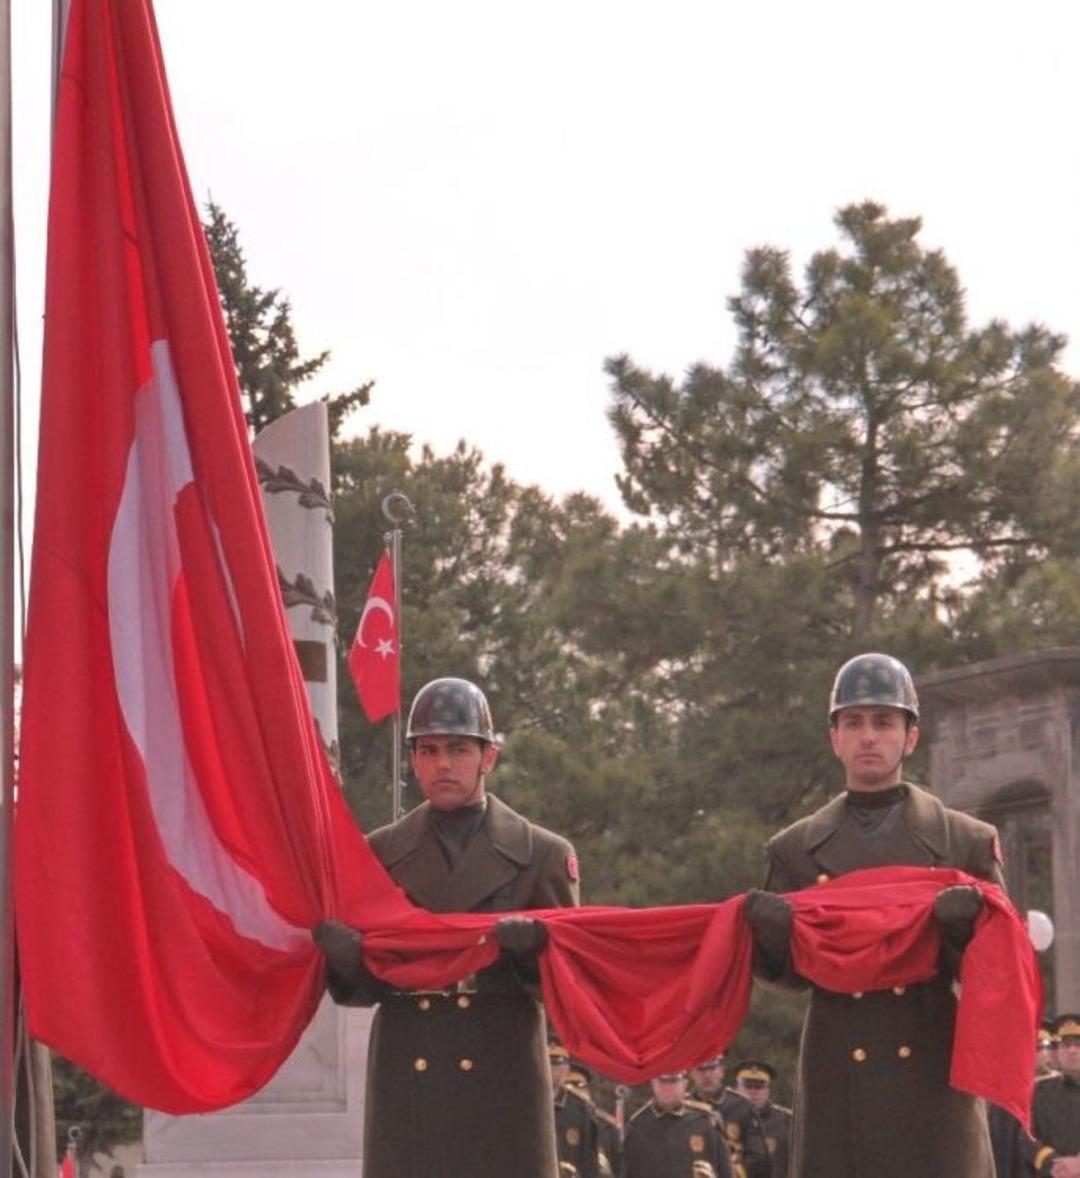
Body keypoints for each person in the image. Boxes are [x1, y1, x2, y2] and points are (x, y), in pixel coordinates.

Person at [743, 652, 1004, 1178]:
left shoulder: (965, 841)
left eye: (884, 722)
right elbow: (788, 975)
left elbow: (999, 973)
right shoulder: (795, 849)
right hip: (842, 1068)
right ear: (834, 737)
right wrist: (769, 942)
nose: (868, 737)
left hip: (932, 1067)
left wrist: (962, 934)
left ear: (910, 737)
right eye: (854, 723)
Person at [313, 677, 580, 1178]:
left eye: (458, 748)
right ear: (413, 760)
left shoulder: (542, 854)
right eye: (428, 750)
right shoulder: (379, 855)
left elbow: (562, 988)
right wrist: (346, 958)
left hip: (500, 1065)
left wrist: (530, 952)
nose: (442, 764)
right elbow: (362, 990)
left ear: (489, 758)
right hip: (411, 1063)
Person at [621, 1072, 734, 1178]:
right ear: (653, 1083)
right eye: (662, 1081)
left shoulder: (705, 1121)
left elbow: (725, 1171)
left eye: (673, 1081)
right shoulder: (638, 1125)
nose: (667, 1087)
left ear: (685, 1083)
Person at [687, 1056, 770, 1178]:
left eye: (712, 1068)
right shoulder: (683, 1108)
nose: (707, 1075)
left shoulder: (741, 1107)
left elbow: (758, 1156)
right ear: (691, 1073)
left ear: (722, 1071)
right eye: (701, 1069)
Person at [1026, 1013, 1080, 1176]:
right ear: (1057, 1053)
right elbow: (1027, 1137)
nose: (1072, 1051)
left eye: (1078, 1044)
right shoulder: (1040, 1092)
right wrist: (1055, 1165)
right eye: (1065, 1045)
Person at [551, 1038, 602, 1178]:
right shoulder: (527, 1105)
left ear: (567, 1069)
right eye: (549, 1063)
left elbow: (590, 1160)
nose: (552, 1070)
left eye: (557, 1064)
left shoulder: (580, 1107)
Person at [732, 1060, 790, 1178]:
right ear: (737, 1088)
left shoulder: (786, 1121)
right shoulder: (722, 1118)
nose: (753, 1092)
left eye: (759, 1087)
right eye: (748, 1086)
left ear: (768, 1090)